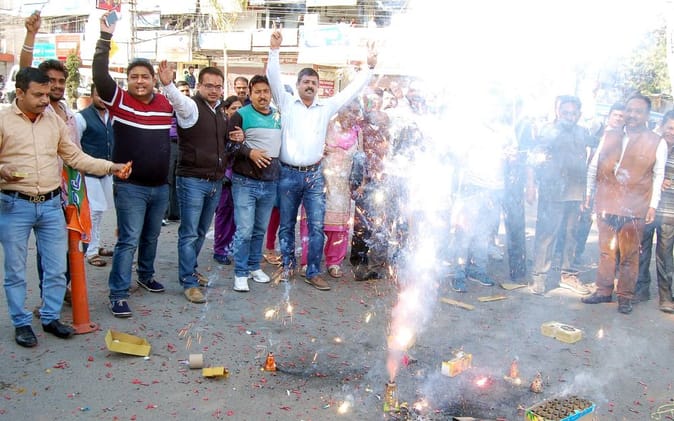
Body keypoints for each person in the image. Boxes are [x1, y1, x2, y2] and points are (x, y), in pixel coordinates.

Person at [0, 67, 129, 347]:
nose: (45, 100)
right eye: (38, 95)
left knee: (57, 268)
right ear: (19, 93)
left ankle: (50, 317)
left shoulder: (53, 121)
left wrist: (111, 167)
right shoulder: (3, 120)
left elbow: (75, 157)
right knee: (15, 270)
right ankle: (21, 323)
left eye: (47, 94)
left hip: (50, 204)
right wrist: (2, 170)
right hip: (14, 204)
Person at [266, 28, 377, 291]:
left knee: (316, 226)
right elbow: (273, 77)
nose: (310, 86)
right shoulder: (286, 103)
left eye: (314, 83)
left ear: (318, 87)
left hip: (314, 176)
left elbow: (350, 92)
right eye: (306, 82)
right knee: (287, 225)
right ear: (298, 84)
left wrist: (369, 68)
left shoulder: (326, 107)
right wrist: (274, 50)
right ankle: (288, 266)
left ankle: (313, 271)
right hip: (288, 174)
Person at [94, 12, 174, 317]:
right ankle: (118, 293)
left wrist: (170, 86)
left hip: (160, 187)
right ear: (127, 81)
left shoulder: (165, 103)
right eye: (134, 77)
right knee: (128, 240)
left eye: (145, 76)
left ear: (153, 79)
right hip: (131, 187)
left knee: (151, 237)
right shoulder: (119, 100)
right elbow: (100, 75)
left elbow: (187, 113)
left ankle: (145, 275)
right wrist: (105, 37)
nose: (140, 81)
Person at [582, 93, 667, 314]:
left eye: (638, 111)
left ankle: (625, 296)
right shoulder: (610, 135)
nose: (632, 115)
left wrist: (653, 205)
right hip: (606, 202)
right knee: (606, 251)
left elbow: (658, 175)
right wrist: (588, 192)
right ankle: (603, 290)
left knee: (630, 254)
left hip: (635, 207)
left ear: (647, 115)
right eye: (629, 110)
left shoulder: (657, 142)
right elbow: (594, 166)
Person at [158, 63, 230, 303]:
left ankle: (191, 270)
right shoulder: (190, 107)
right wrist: (168, 85)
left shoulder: (219, 111)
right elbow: (178, 100)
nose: (214, 90)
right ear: (199, 86)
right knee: (189, 233)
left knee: (200, 231)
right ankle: (188, 282)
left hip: (214, 181)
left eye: (218, 86)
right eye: (209, 86)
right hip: (192, 180)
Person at [526, 95, 593, 296]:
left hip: (575, 191)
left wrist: (586, 192)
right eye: (565, 113)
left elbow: (591, 159)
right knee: (547, 234)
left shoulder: (583, 132)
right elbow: (533, 159)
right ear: (558, 112)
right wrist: (531, 184)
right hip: (552, 191)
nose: (569, 117)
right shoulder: (548, 131)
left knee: (571, 235)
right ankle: (539, 276)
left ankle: (568, 274)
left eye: (573, 113)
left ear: (579, 114)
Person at [226, 75, 281, 292]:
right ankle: (240, 273)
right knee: (245, 230)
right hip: (245, 182)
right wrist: (249, 152)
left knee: (259, 229)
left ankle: (253, 267)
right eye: (257, 91)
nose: (262, 96)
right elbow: (229, 145)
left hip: (270, 183)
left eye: (266, 91)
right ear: (250, 93)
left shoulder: (278, 116)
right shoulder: (240, 115)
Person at [299, 101, 363, 278]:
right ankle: (308, 261)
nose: (353, 116)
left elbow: (361, 158)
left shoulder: (358, 131)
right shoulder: (326, 125)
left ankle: (334, 262)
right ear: (341, 109)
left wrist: (360, 183)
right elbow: (309, 146)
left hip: (341, 187)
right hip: (321, 182)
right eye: (350, 111)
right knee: (313, 222)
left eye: (356, 112)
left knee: (339, 228)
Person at [573, 102, 625, 266]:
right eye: (615, 115)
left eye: (621, 116)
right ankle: (575, 253)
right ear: (609, 116)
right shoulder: (597, 133)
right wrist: (588, 190)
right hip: (589, 183)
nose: (618, 118)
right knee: (583, 219)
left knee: (610, 225)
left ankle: (611, 261)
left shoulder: (625, 138)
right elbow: (591, 164)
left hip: (609, 188)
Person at [75, 84, 115, 267]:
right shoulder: (81, 118)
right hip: (89, 173)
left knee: (100, 211)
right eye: (99, 95)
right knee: (93, 212)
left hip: (106, 171)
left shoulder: (111, 116)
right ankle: (90, 251)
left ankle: (95, 245)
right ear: (92, 96)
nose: (102, 99)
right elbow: (74, 145)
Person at [638, 111, 674, 313]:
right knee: (642, 250)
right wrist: (656, 182)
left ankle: (666, 296)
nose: (672, 133)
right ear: (662, 125)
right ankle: (640, 289)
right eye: (670, 128)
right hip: (646, 206)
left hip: (669, 211)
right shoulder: (651, 144)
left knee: (665, 254)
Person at [213, 95, 243, 265]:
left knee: (238, 216)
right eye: (233, 108)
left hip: (242, 178)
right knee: (224, 213)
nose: (237, 111)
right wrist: (226, 173)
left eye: (240, 108)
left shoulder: (244, 127)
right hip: (224, 179)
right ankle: (220, 249)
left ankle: (231, 246)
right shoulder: (221, 127)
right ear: (225, 110)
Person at [165, 80, 192, 223]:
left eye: (187, 90)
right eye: (182, 91)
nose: (185, 93)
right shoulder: (169, 107)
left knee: (179, 179)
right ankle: (164, 213)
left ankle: (175, 213)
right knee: (168, 178)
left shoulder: (191, 107)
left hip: (185, 145)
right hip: (170, 144)